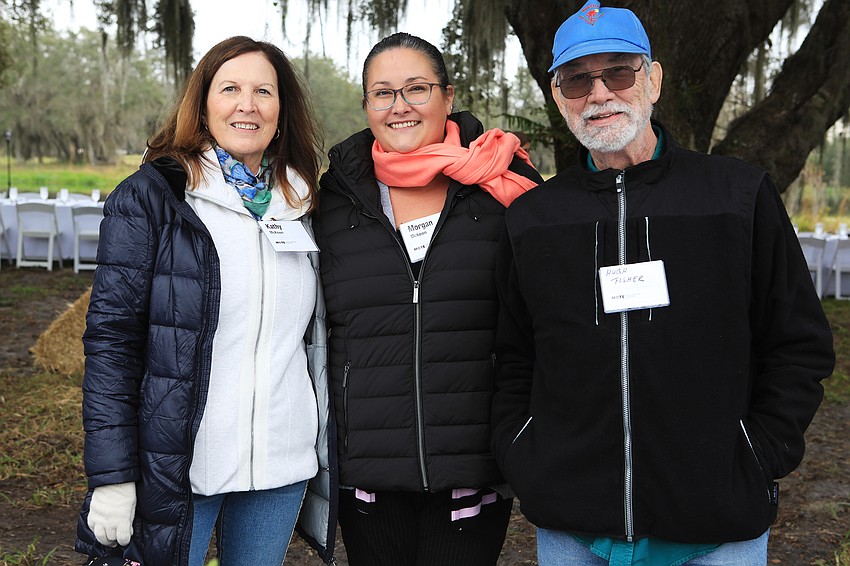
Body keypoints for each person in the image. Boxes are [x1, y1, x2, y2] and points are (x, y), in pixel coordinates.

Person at [491, 2, 835, 565]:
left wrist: (758, 451)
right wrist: (524, 451)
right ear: (558, 96)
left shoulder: (737, 197)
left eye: (618, 72)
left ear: (653, 80)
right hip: (574, 526)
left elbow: (798, 344)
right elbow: (513, 356)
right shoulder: (534, 218)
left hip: (717, 524)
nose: (598, 93)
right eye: (577, 79)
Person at [74, 36, 336, 566]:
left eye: (264, 91)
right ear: (203, 103)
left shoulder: (303, 203)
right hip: (177, 469)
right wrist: (112, 476)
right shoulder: (153, 197)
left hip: (280, 464)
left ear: (282, 110)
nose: (248, 104)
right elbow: (112, 345)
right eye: (231, 88)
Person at [313, 32, 542, 566]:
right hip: (367, 470)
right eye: (382, 93)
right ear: (366, 105)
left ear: (449, 96)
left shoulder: (506, 188)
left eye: (416, 89)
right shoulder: (332, 199)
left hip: (475, 465)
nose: (400, 107)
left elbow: (544, 320)